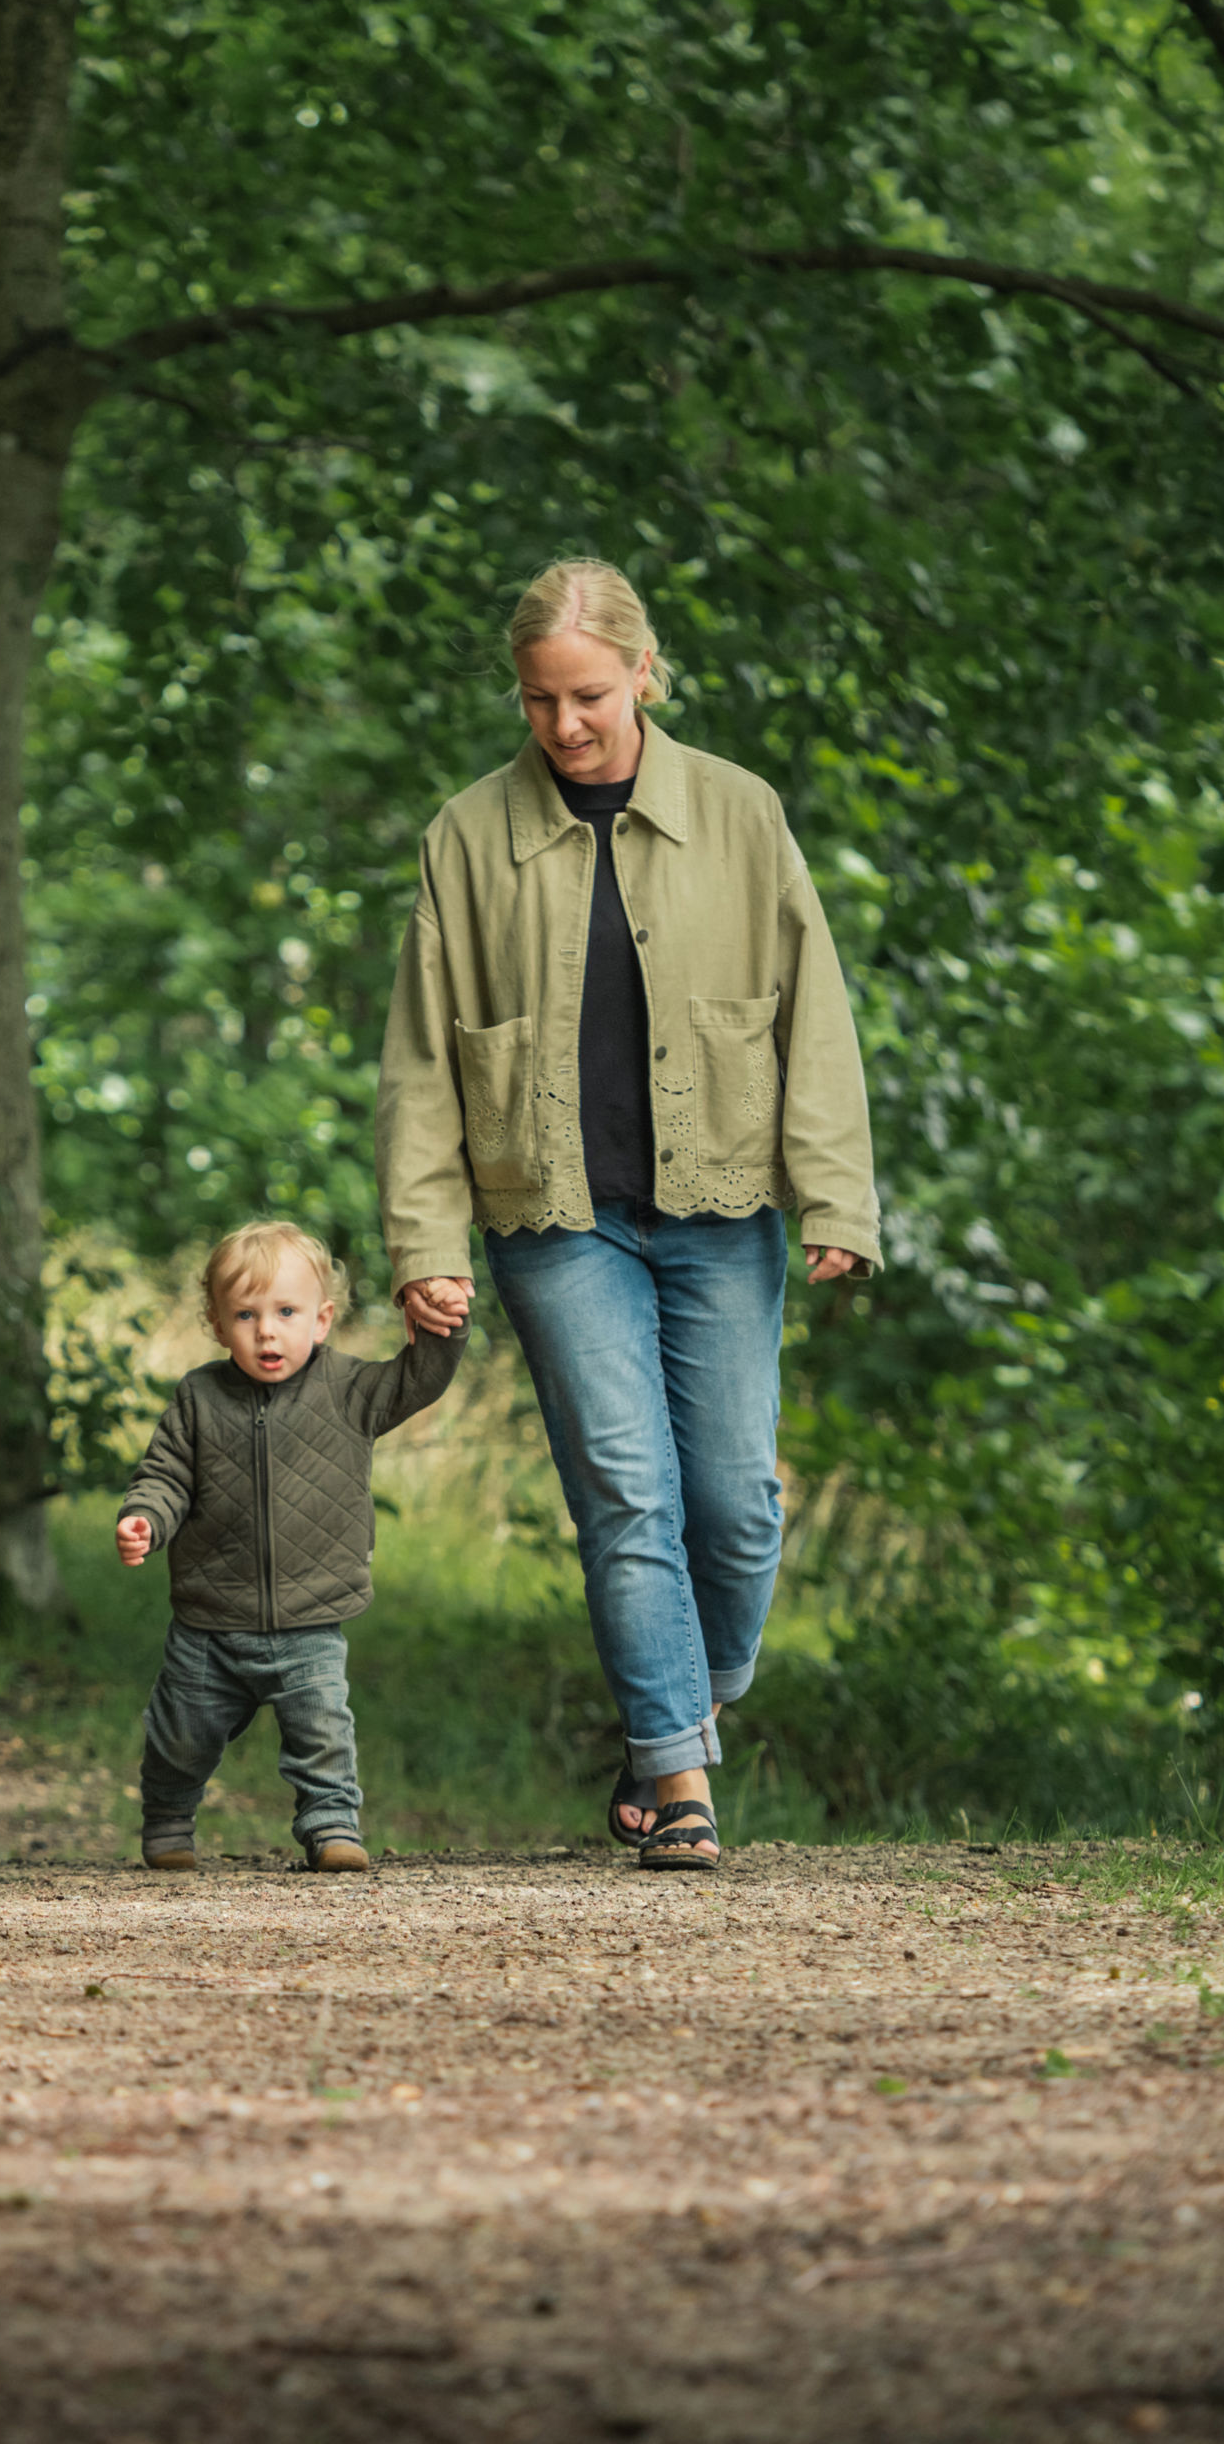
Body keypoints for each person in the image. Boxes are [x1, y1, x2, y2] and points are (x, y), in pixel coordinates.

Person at [376, 558, 880, 1873]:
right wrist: (426, 1244)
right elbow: (424, 1058)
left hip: (723, 1204)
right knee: (626, 1488)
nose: (565, 727)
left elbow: (813, 1014)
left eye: (589, 696)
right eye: (541, 702)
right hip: (552, 1215)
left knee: (735, 1508)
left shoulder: (740, 814)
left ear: (644, 674)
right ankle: (676, 1772)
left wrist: (837, 1195)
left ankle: (680, 1707)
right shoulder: (467, 834)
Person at [115, 1221, 466, 1875]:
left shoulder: (349, 1390)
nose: (266, 1332)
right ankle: (168, 1820)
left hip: (311, 1615)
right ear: (218, 1325)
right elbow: (164, 1476)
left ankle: (331, 1824)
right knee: (180, 1737)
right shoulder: (199, 1397)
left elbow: (418, 1379)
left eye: (285, 1312)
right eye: (245, 1315)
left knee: (322, 1730)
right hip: (209, 1620)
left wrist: (444, 1324)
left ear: (322, 1319)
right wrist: (145, 1519)